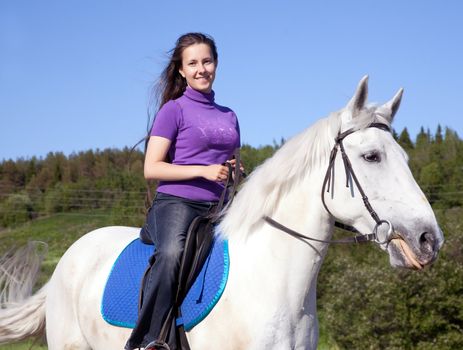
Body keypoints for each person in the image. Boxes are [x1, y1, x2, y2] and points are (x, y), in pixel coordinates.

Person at [125, 33, 242, 350]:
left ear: (215, 63)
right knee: (172, 254)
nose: (201, 69)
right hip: (178, 202)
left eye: (207, 61)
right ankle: (150, 340)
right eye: (193, 63)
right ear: (181, 70)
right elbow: (152, 167)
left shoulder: (229, 116)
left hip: (220, 206)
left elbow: (226, 164)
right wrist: (202, 171)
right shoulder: (173, 111)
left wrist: (234, 172)